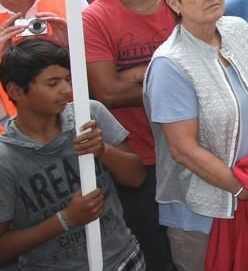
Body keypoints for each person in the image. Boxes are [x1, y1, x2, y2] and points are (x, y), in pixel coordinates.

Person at [144, 0, 248, 270]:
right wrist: (242, 188)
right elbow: (183, 150)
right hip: (203, 217)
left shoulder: (237, 29)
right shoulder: (170, 64)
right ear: (174, 3)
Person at [0, 39, 146, 269]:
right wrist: (65, 220)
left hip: (123, 258)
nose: (66, 90)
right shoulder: (6, 157)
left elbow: (136, 177)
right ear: (16, 90)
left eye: (68, 79)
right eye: (52, 83)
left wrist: (103, 150)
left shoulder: (89, 115)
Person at [82, 0, 177, 267]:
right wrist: (173, 78)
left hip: (193, 148)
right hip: (140, 161)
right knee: (157, 256)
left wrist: (139, 76)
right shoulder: (95, 18)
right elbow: (107, 93)